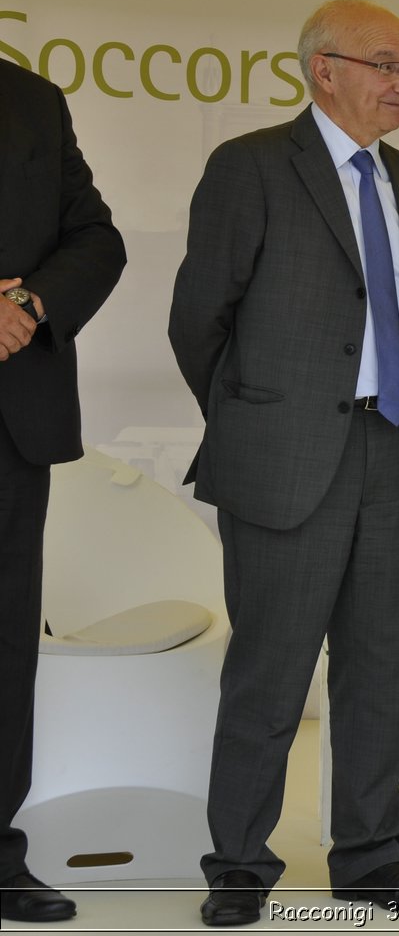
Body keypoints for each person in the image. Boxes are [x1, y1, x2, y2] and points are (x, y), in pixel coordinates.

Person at [169, 0, 399, 927]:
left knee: (380, 670)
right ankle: (239, 861)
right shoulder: (249, 168)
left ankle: (371, 854)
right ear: (326, 69)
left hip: (394, 449)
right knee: (270, 673)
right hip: (285, 458)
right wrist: (256, 419)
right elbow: (197, 319)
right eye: (388, 64)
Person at [0, 60, 125, 925]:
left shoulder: (32, 98)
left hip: (14, 416)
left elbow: (97, 239)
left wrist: (31, 302)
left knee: (6, 649)